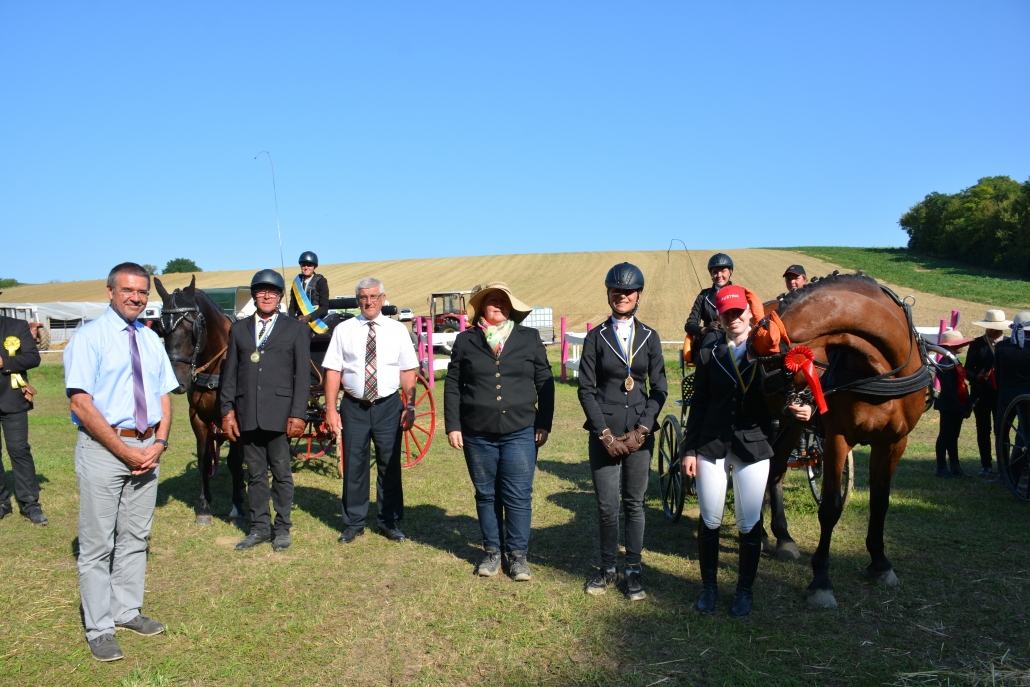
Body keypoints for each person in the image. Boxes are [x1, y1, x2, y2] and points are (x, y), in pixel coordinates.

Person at [63, 262, 178, 662]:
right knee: (97, 544)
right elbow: (81, 402)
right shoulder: (89, 338)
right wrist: (122, 449)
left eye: (142, 292)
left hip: (148, 449)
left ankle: (126, 611)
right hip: (105, 451)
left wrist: (160, 442)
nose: (136, 297)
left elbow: (164, 395)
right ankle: (100, 628)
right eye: (128, 290)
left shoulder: (150, 339)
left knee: (135, 537)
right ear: (110, 291)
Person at [681, 285, 812, 618]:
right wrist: (689, 449)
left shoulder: (770, 351)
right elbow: (699, 401)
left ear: (751, 313)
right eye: (726, 313)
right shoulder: (711, 349)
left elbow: (789, 390)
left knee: (747, 522)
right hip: (711, 442)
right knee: (710, 519)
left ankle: (744, 590)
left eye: (738, 312)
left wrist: (805, 407)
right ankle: (709, 587)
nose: (733, 318)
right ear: (720, 317)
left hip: (753, 444)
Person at [445, 282, 554, 581]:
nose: (498, 304)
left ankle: (517, 557)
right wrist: (453, 425)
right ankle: (492, 551)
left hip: (521, 430)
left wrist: (544, 422)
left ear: (511, 307)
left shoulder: (529, 338)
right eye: (492, 300)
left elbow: (545, 380)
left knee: (518, 495)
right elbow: (453, 385)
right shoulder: (465, 340)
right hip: (477, 432)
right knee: (486, 494)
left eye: (503, 301)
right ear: (482, 307)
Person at [578, 263, 667, 601]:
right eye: (617, 291)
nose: (623, 296)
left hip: (640, 437)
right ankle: (607, 569)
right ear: (609, 294)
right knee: (606, 506)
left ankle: (633, 570)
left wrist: (643, 430)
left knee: (635, 504)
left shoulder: (650, 337)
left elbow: (659, 389)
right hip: (605, 435)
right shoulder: (596, 337)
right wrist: (604, 434)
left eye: (629, 292)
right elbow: (586, 389)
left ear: (638, 296)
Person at [324, 277, 418, 544]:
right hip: (354, 407)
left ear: (383, 299)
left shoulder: (397, 330)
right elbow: (333, 370)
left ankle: (388, 521)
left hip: (389, 405)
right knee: (354, 464)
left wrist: (409, 407)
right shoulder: (343, 330)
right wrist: (331, 410)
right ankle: (354, 522)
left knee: (389, 463)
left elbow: (408, 370)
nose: (369, 302)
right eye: (364, 297)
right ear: (358, 301)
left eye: (374, 297)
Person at [220, 269, 309, 552]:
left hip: (280, 414)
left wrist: (298, 413)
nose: (266, 295)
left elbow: (303, 375)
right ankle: (259, 528)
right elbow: (229, 374)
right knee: (255, 474)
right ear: (254, 295)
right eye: (261, 291)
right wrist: (227, 411)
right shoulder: (239, 329)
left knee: (282, 473)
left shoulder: (295, 329)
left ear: (280, 296)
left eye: (272, 291)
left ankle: (282, 528)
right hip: (247, 413)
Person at [0, 313, 47, 525]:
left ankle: (30, 505)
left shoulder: (16, 326)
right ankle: (2, 503)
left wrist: (5, 362)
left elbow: (33, 357)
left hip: (12, 400)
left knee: (19, 450)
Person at [967, 310, 1010, 477]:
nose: (993, 330)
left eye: (996, 328)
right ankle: (986, 464)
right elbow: (967, 369)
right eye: (991, 327)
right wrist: (977, 377)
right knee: (983, 429)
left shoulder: (1008, 343)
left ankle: (1003, 465)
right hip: (981, 393)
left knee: (1002, 430)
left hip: (1002, 394)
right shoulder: (977, 344)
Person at [993, 312, 1030, 484]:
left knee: (1002, 436)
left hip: (1005, 396)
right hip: (1027, 397)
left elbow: (998, 374)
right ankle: (1015, 472)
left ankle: (1003, 473)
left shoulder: (1002, 347)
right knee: (1023, 437)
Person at [932, 330, 974, 478]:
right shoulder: (944, 364)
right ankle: (941, 468)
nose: (962, 345)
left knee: (953, 436)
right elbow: (949, 389)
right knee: (945, 436)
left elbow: (962, 384)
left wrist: (967, 404)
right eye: (959, 343)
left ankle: (955, 467)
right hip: (949, 406)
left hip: (957, 404)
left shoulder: (954, 361)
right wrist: (959, 407)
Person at [685, 253, 734, 352]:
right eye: (715, 272)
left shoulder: (739, 293)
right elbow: (689, 325)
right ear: (711, 274)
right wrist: (705, 330)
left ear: (730, 272)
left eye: (723, 271)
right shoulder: (703, 295)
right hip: (709, 340)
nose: (719, 275)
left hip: (733, 338)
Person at [287, 251, 330, 335]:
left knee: (303, 330)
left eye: (309, 265)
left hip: (316, 318)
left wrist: (309, 317)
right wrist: (292, 320)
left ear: (314, 266)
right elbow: (292, 306)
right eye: (303, 265)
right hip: (299, 318)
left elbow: (324, 307)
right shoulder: (296, 283)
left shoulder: (321, 281)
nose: (306, 267)